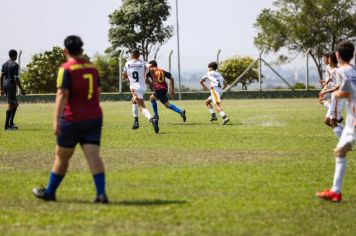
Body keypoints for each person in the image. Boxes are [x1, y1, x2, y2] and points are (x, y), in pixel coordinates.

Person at [32, 35, 108, 203]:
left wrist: (56, 120)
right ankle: (101, 194)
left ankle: (50, 192)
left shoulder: (66, 69)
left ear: (65, 51)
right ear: (82, 50)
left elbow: (62, 94)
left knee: (62, 156)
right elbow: (98, 91)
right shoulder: (93, 69)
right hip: (94, 117)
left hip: (72, 119)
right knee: (93, 155)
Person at [316, 41, 356, 202]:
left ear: (338, 55)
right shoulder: (353, 71)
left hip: (353, 120)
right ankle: (335, 192)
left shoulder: (342, 71)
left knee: (340, 149)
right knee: (340, 151)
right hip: (350, 121)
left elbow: (345, 92)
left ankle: (336, 191)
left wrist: (334, 95)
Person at [122, 49, 159, 133]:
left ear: (131, 55)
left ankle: (152, 120)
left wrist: (129, 77)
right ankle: (136, 122)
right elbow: (152, 68)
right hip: (142, 87)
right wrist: (154, 78)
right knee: (134, 101)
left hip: (134, 88)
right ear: (139, 55)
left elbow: (123, 75)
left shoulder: (127, 63)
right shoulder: (143, 63)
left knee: (142, 107)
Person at [318, 52, 345, 138]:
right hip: (335, 97)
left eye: (328, 58)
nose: (326, 60)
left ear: (332, 59)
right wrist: (325, 83)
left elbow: (338, 87)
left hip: (338, 97)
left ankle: (346, 141)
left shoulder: (338, 70)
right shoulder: (333, 70)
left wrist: (324, 91)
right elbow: (330, 78)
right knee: (327, 121)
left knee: (332, 122)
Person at [0, 49, 26, 130]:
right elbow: (16, 79)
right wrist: (21, 89)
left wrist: (1, 89)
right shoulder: (15, 65)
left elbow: (1, 77)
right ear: (15, 55)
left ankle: (11, 124)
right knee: (11, 105)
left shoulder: (4, 64)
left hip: (5, 85)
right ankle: (6, 126)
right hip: (11, 86)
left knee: (15, 104)